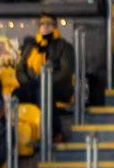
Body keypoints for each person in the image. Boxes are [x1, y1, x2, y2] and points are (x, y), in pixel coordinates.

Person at [14, 13, 75, 142]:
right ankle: (18, 135)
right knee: (16, 94)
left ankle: (54, 132)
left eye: (49, 24)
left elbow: (65, 72)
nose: (45, 27)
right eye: (42, 25)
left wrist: (46, 81)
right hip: (32, 85)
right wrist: (28, 82)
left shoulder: (64, 47)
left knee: (43, 91)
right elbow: (20, 70)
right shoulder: (31, 47)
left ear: (55, 27)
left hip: (57, 87)